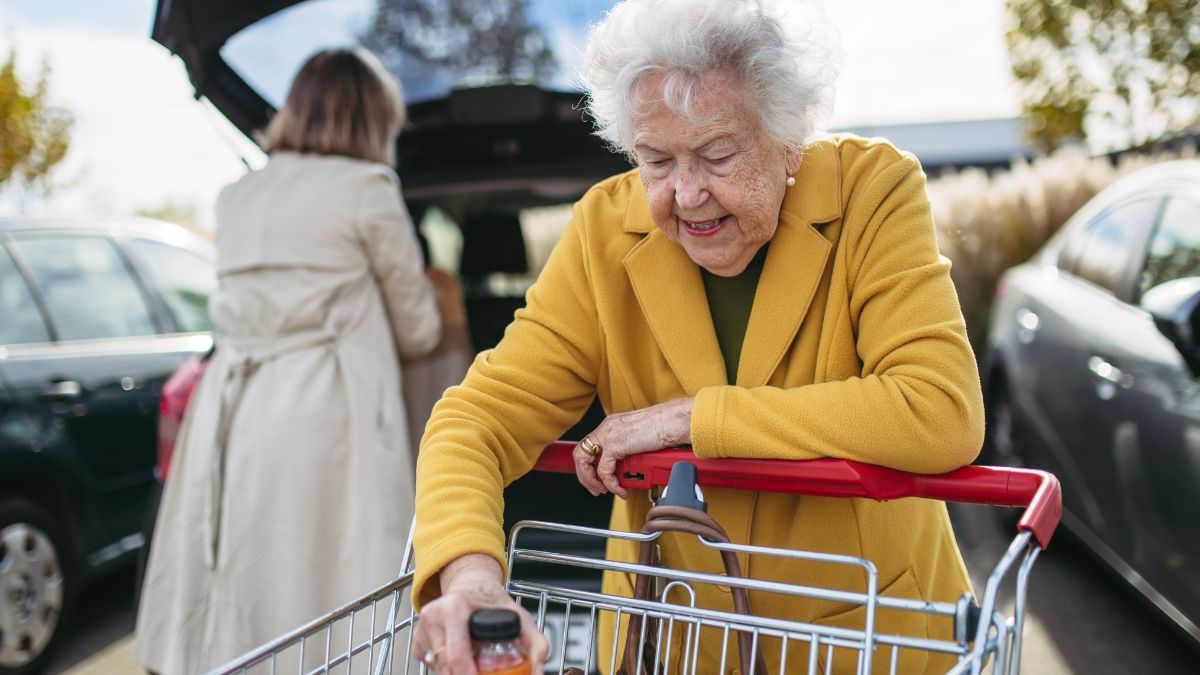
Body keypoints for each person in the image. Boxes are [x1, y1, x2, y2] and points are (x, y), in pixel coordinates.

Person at [411, 0, 985, 673]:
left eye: (716, 155)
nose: (685, 194)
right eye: (655, 161)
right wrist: (474, 581)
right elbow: (474, 420)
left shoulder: (872, 191)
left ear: (788, 137)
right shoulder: (603, 228)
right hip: (669, 641)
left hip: (861, 641)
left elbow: (938, 408)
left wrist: (689, 418)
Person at [134, 47, 458, 674]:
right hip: (328, 415)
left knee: (247, 577)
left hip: (230, 414)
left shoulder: (238, 195)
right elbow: (418, 331)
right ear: (373, 121)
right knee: (332, 578)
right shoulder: (368, 188)